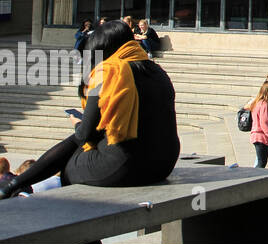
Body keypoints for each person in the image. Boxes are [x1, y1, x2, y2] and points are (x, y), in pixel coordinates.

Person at [0, 20, 181, 200]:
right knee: (79, 147)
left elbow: (85, 135)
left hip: (126, 168)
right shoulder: (157, 71)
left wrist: (77, 123)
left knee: (71, 163)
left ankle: (16, 187)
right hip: (164, 164)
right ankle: (16, 185)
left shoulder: (108, 72)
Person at [247, 78, 268, 168]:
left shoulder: (258, 103)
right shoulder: (264, 105)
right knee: (261, 163)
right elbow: (264, 124)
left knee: (261, 161)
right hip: (261, 137)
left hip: (256, 135)